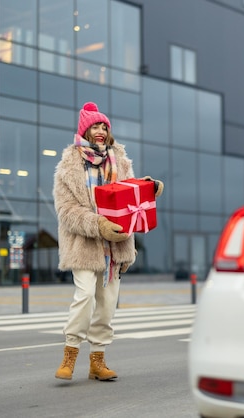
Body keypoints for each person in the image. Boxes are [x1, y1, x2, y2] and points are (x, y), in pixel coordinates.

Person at [53, 102, 163, 381]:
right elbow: (66, 213)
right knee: (86, 295)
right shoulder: (68, 167)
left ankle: (97, 361)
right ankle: (70, 353)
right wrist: (98, 224)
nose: (101, 131)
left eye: (104, 126)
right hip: (83, 246)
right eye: (95, 126)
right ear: (84, 130)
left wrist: (149, 188)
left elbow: (129, 194)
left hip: (115, 246)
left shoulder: (121, 162)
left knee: (107, 303)